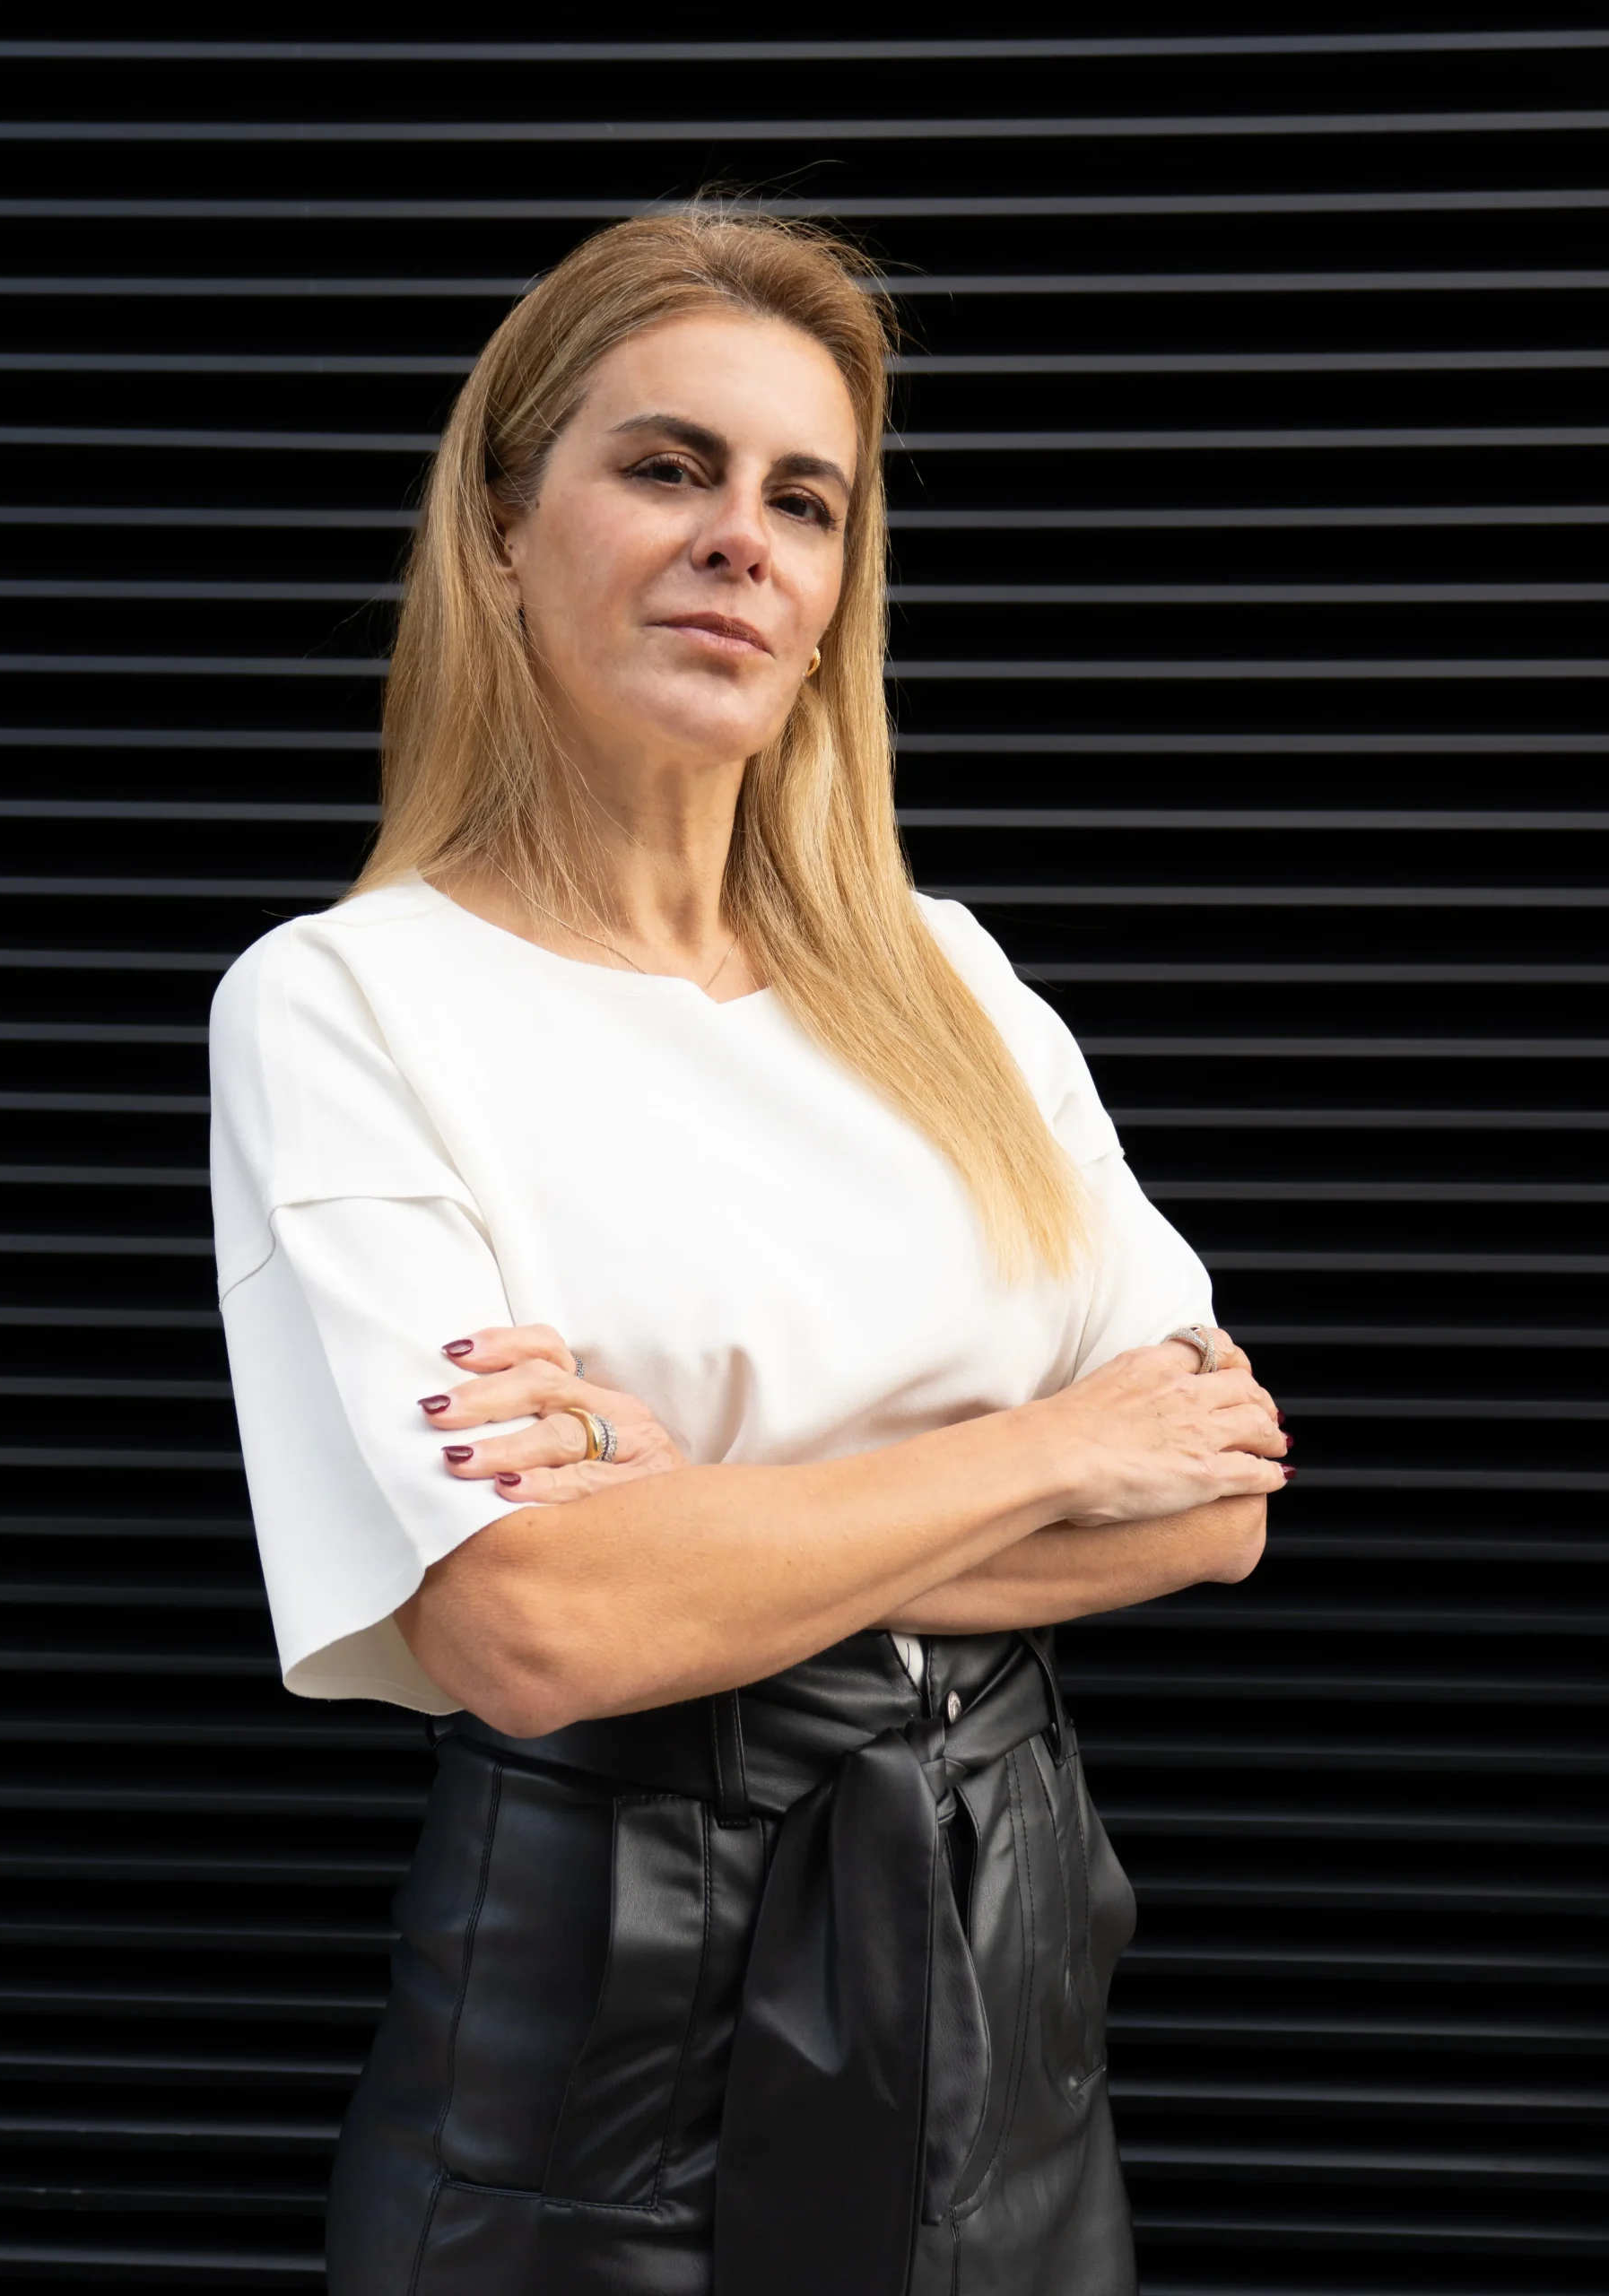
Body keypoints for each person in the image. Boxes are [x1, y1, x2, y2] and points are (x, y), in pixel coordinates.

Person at [208, 205, 1289, 2296]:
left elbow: (1222, 1486)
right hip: (597, 2058)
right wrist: (1052, 1445)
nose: (744, 539)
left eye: (807, 499)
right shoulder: (347, 1002)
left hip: (1016, 1993)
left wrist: (689, 1520)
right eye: (669, 466)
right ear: (505, 527)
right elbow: (537, 1634)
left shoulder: (954, 984)